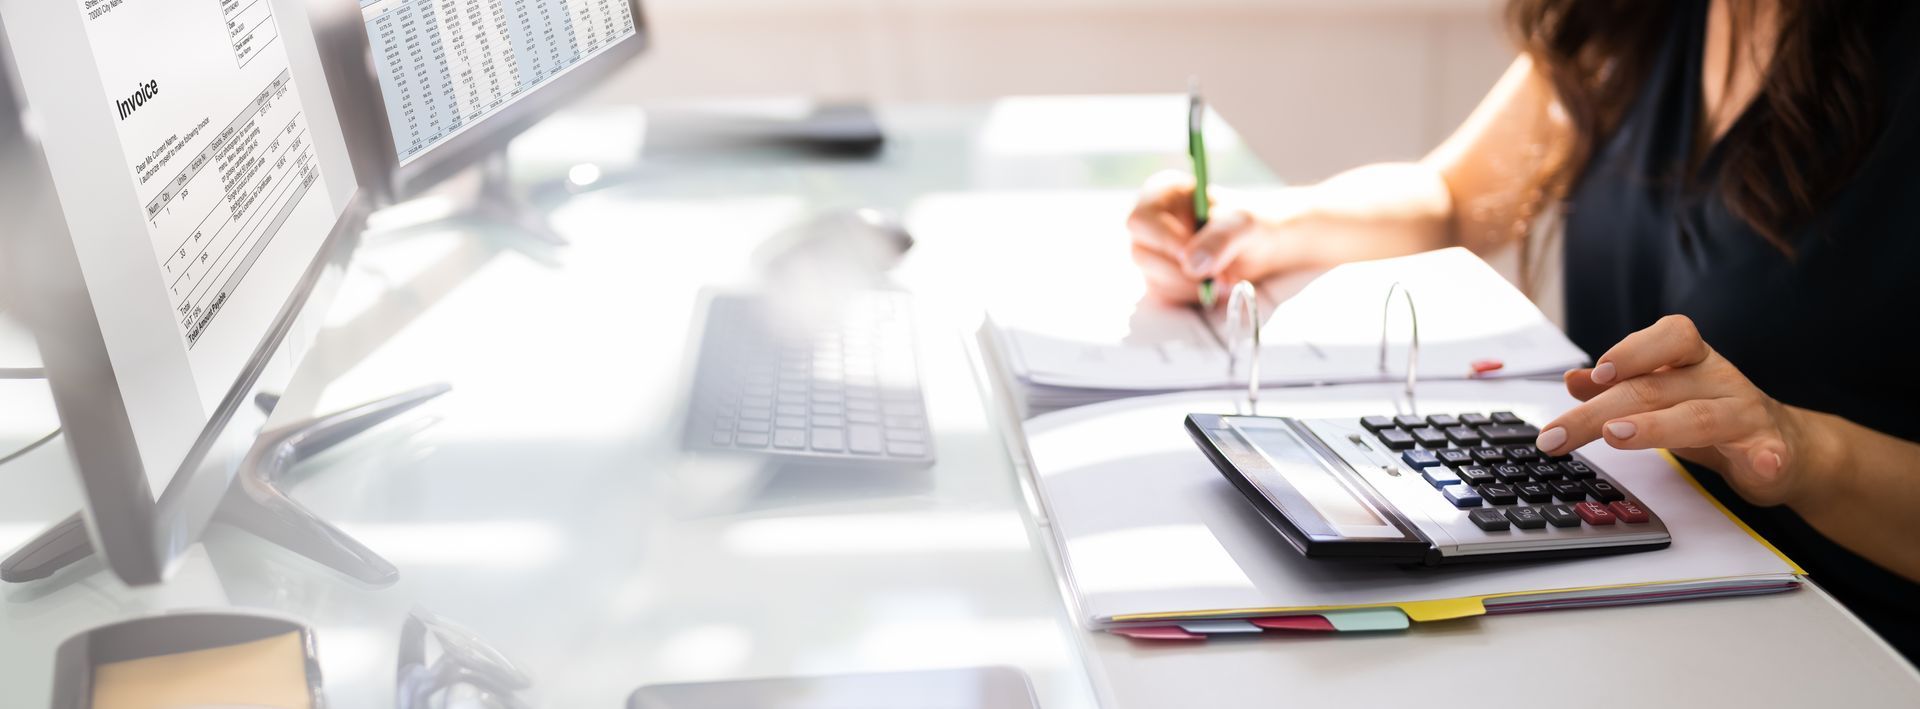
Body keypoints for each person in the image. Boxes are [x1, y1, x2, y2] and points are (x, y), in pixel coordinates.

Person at [1128, 0, 1919, 661]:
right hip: (1628, 603)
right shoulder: (1634, 18)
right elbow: (1457, 193)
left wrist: (1806, 454)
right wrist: (1264, 226)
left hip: (1847, 645)